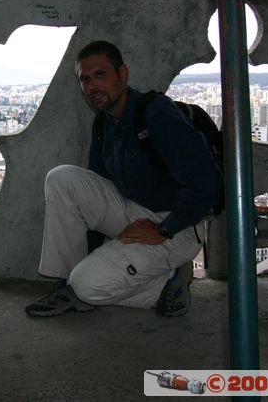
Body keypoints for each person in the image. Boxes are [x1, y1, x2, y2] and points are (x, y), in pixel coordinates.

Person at [25, 40, 223, 317]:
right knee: (61, 178)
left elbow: (209, 182)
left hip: (177, 225)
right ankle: (68, 285)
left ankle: (170, 279)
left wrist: (163, 229)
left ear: (123, 74)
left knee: (88, 285)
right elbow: (94, 192)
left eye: (100, 75)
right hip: (133, 211)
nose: (93, 86)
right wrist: (97, 253)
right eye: (85, 79)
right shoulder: (104, 124)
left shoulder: (156, 113)